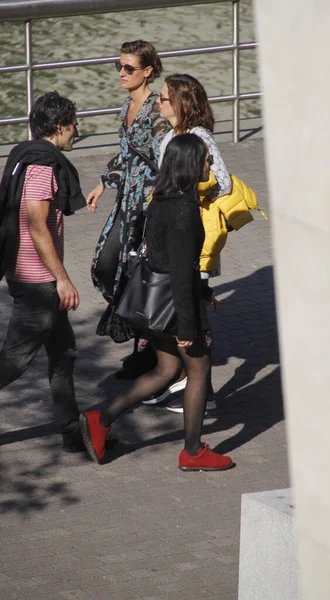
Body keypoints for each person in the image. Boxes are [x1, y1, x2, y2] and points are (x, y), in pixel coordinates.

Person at [80, 134, 234, 471]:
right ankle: (192, 452)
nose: (208, 164)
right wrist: (190, 325)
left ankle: (101, 419)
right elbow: (180, 271)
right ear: (190, 164)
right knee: (198, 370)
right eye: (205, 159)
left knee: (166, 370)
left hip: (157, 304)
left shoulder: (162, 200)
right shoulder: (185, 211)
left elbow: (164, 257)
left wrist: (203, 291)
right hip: (177, 306)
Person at [0, 91, 85, 452]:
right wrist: (62, 279)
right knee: (14, 363)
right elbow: (36, 224)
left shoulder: (25, 155)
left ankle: (72, 433)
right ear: (61, 126)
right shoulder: (42, 168)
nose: (77, 132)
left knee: (63, 354)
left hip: (32, 277)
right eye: (74, 125)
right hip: (38, 282)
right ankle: (72, 432)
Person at [142, 73, 232, 413]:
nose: (159, 102)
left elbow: (222, 181)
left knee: (193, 315)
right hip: (172, 229)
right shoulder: (170, 135)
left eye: (164, 97)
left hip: (189, 235)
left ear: (180, 101)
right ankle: (180, 380)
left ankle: (200, 394)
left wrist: (186, 194)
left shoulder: (198, 137)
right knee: (179, 311)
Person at [86, 39, 171, 378]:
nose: (121, 73)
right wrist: (102, 183)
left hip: (150, 205)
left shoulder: (157, 111)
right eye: (118, 66)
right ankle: (142, 334)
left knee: (140, 274)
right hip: (127, 200)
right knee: (105, 265)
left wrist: (159, 203)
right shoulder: (126, 107)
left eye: (129, 68)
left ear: (148, 71)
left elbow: (167, 157)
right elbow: (125, 153)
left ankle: (148, 349)